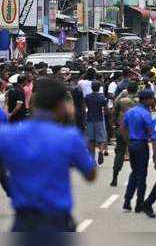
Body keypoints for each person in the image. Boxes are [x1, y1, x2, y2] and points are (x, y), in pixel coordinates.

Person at [0, 77, 96, 232]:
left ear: (34, 104)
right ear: (60, 105)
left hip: (23, 222)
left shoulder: (9, 135)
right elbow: (90, 175)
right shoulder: (69, 137)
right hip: (57, 221)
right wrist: (73, 125)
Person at [122, 89, 154, 213]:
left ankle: (127, 201)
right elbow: (150, 130)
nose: (152, 101)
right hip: (141, 144)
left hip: (132, 144)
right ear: (146, 100)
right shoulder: (145, 113)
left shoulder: (130, 112)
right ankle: (139, 203)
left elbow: (123, 128)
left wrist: (128, 141)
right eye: (151, 98)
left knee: (134, 173)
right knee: (142, 175)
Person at [110, 81, 138, 187]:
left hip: (121, 129)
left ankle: (115, 177)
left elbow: (113, 114)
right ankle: (136, 178)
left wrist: (114, 125)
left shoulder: (121, 101)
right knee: (136, 155)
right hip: (135, 131)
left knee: (119, 154)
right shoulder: (139, 101)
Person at [84, 80, 108, 165]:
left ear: (91, 87)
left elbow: (85, 107)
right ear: (99, 88)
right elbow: (105, 109)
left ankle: (92, 159)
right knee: (102, 138)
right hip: (99, 118)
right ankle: (101, 151)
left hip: (90, 119)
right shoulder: (102, 97)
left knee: (91, 140)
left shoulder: (87, 97)